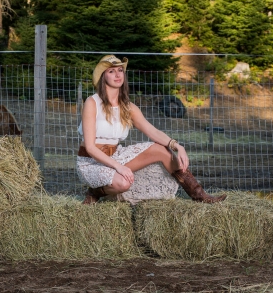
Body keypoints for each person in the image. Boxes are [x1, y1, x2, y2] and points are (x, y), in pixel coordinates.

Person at [76, 54, 227, 205]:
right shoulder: (92, 102)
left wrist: (177, 146)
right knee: (123, 183)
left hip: (116, 155)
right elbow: (90, 148)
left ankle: (199, 195)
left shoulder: (128, 106)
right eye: (111, 71)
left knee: (161, 150)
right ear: (103, 77)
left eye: (120, 70)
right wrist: (119, 167)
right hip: (91, 162)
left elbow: (152, 131)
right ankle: (94, 192)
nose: (117, 75)